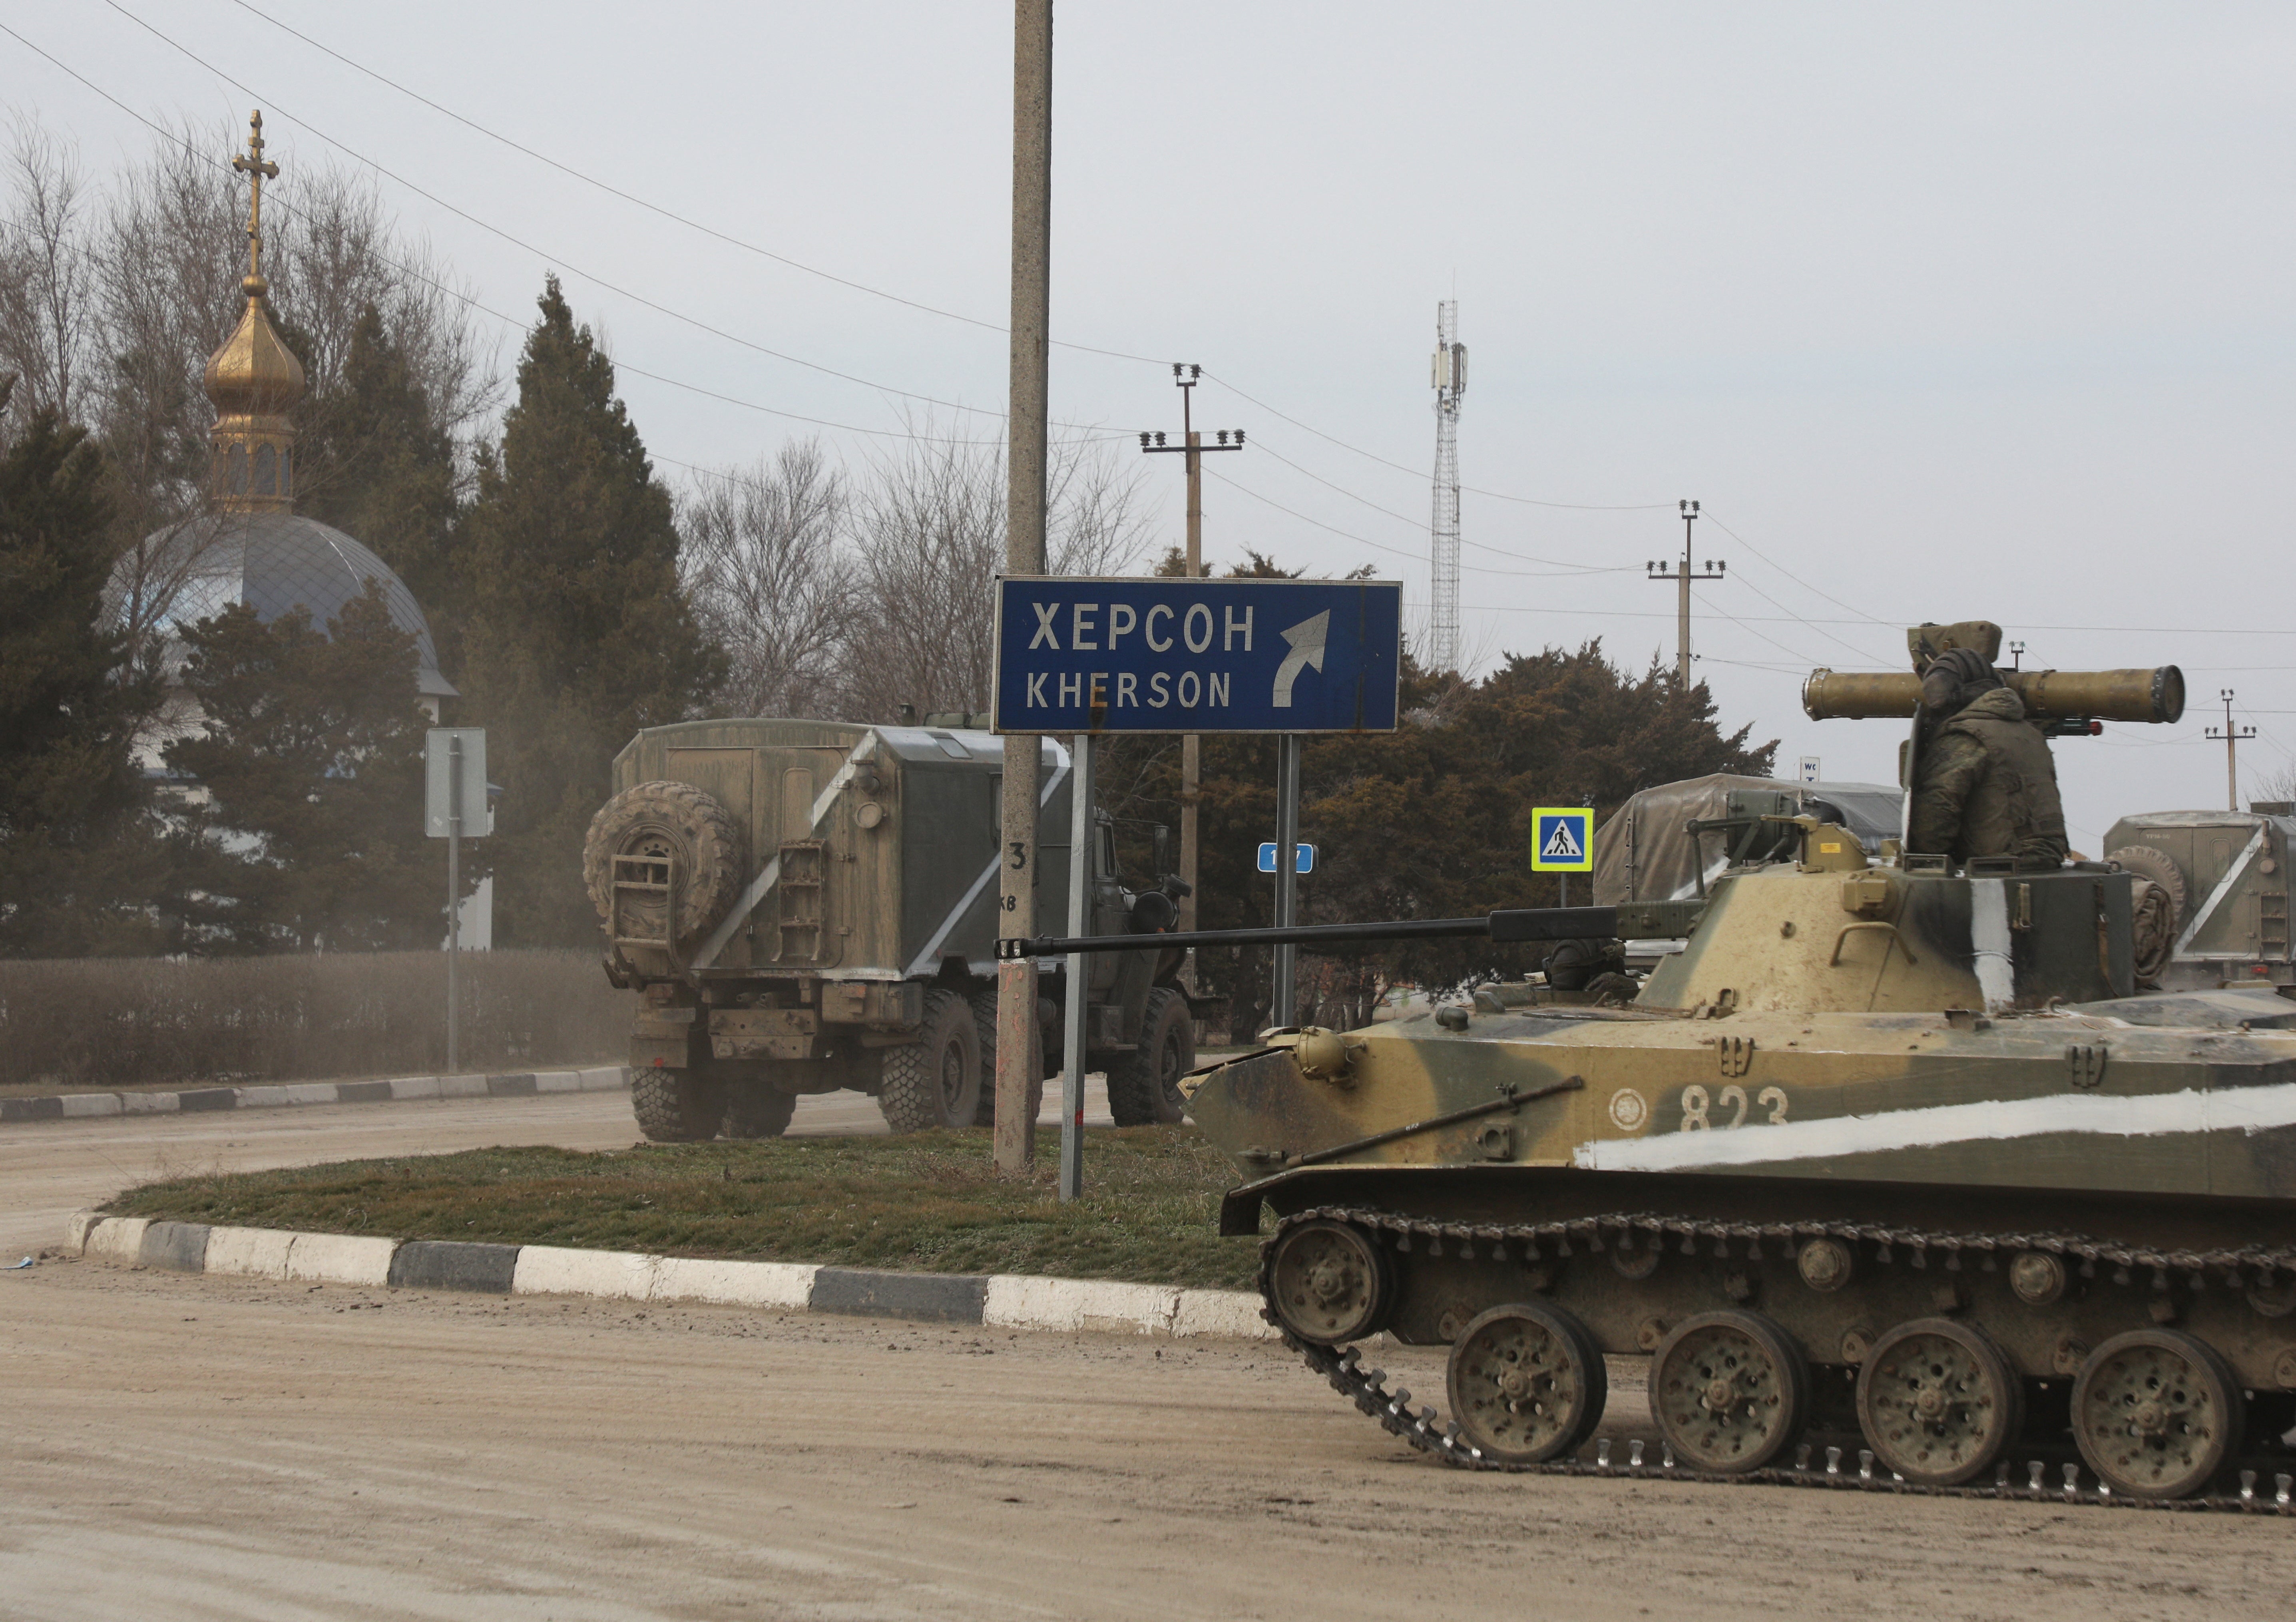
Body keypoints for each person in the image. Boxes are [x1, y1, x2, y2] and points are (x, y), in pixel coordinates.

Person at [1906, 646, 2069, 866]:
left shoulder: (1966, 736)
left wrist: (1924, 863)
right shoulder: (2031, 734)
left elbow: (1935, 816)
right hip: (2045, 864)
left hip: (1996, 869)